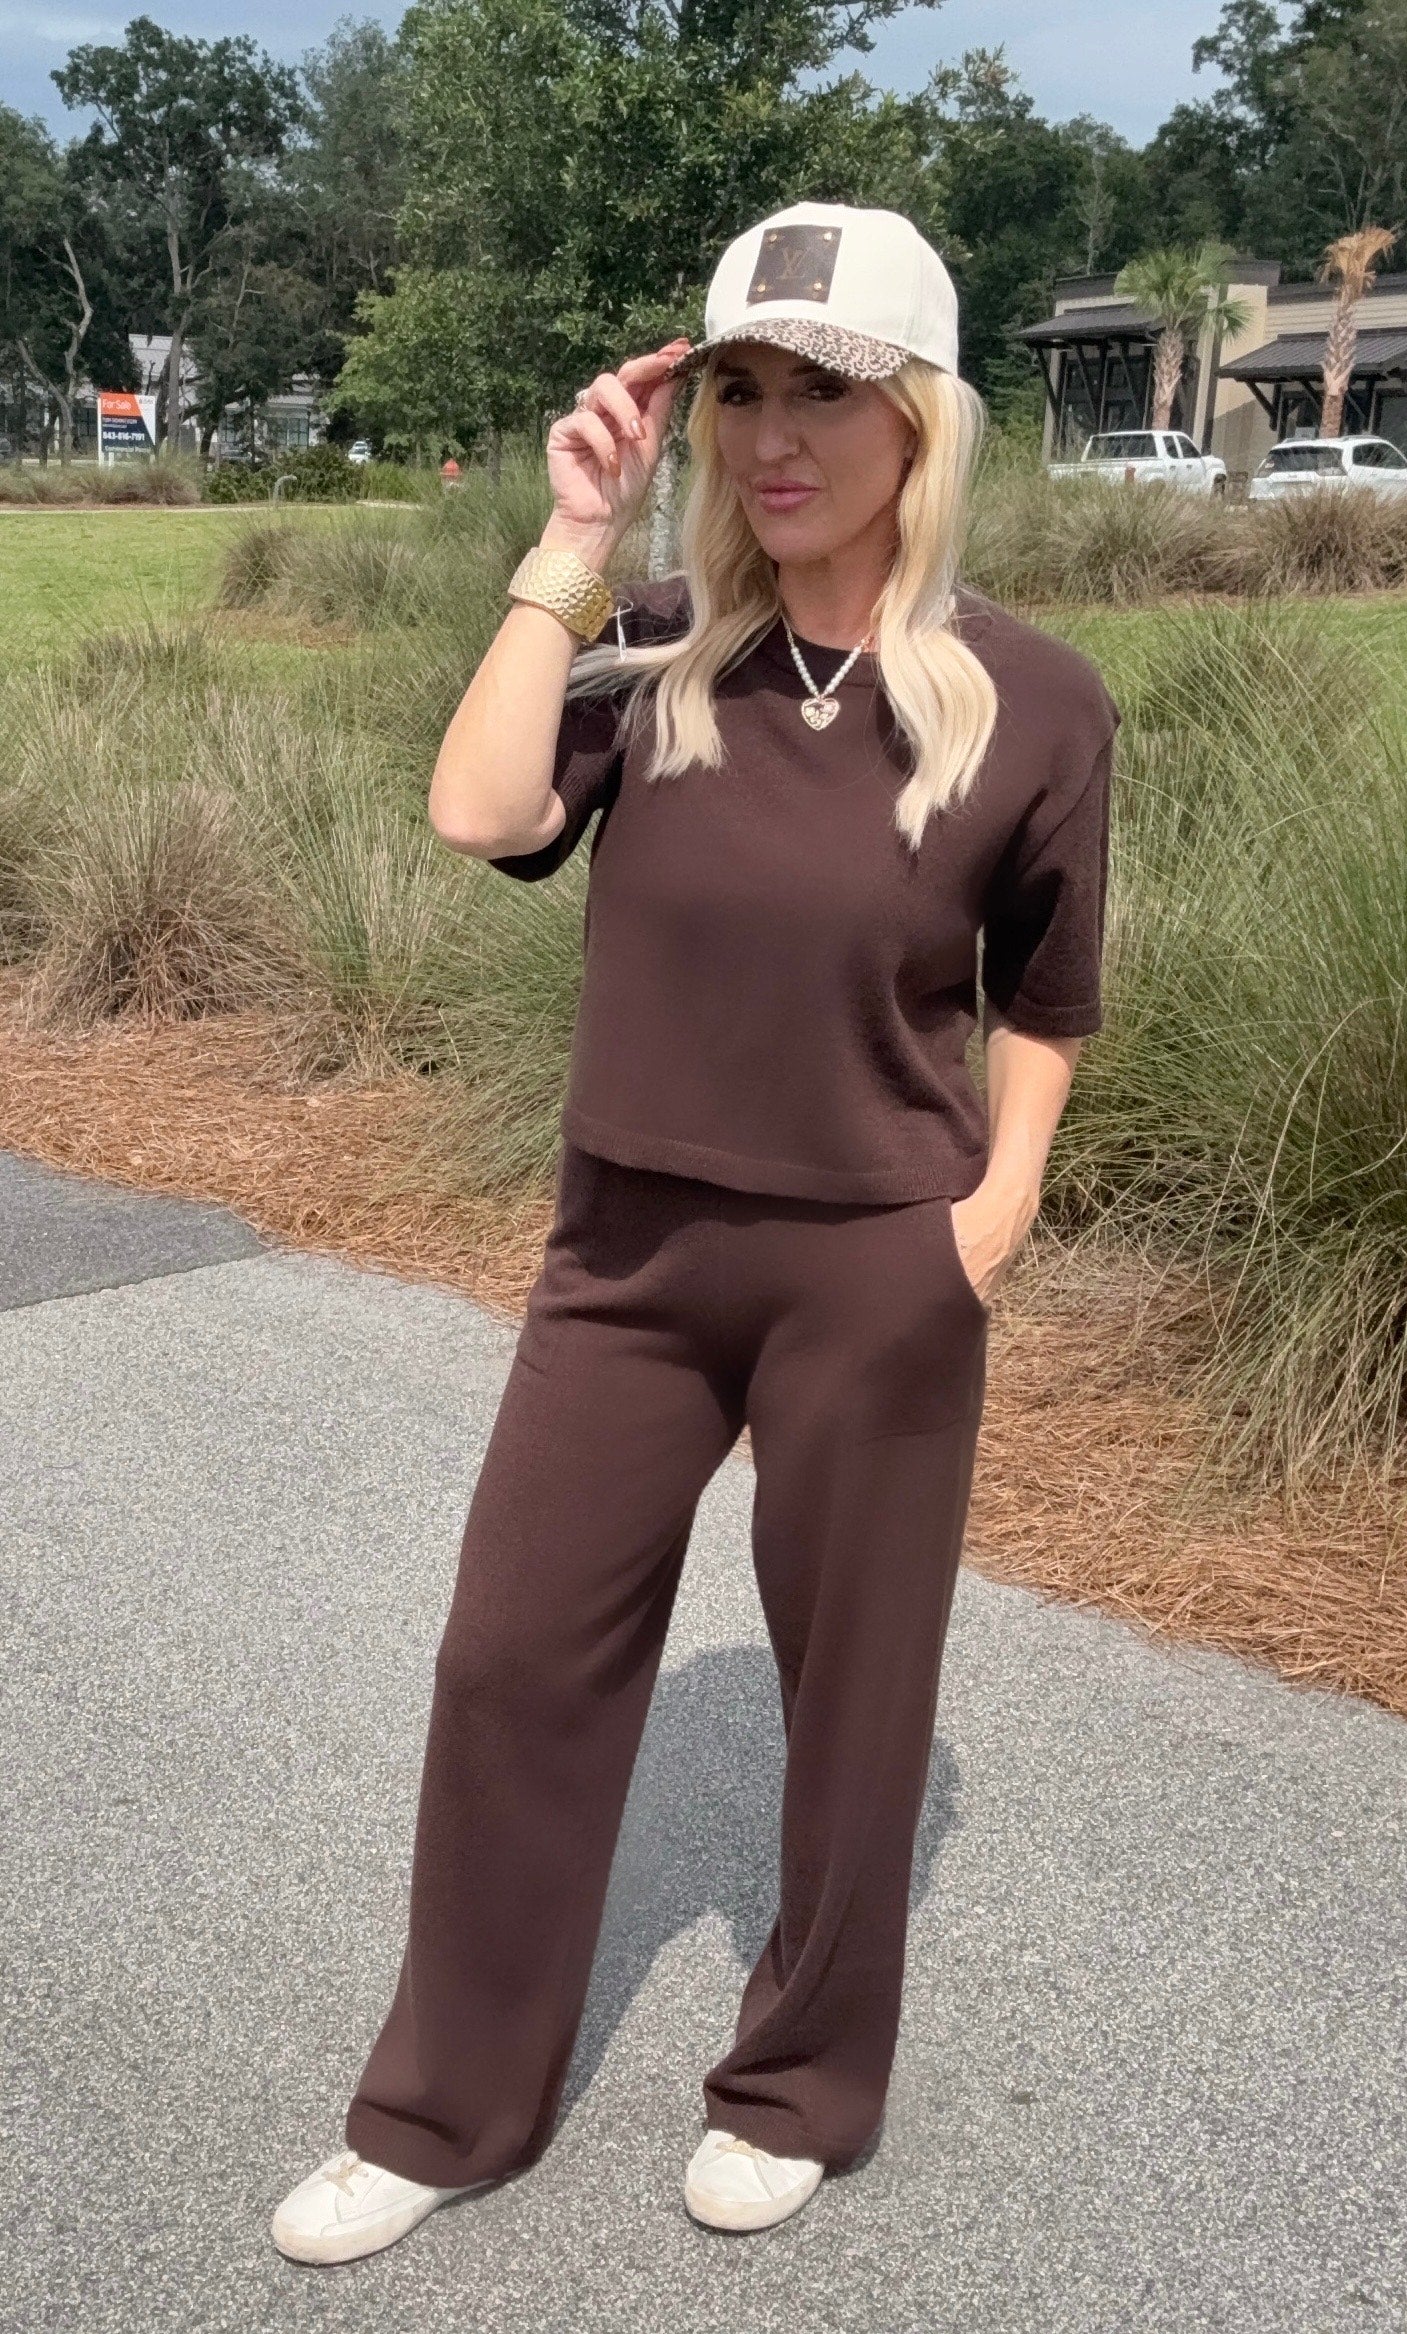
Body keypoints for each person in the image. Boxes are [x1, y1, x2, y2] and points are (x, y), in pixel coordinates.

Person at [271, 199, 1121, 2264]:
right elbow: (477, 814)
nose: (772, 436)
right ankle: (444, 2107)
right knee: (510, 1663)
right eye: (738, 389)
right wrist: (567, 549)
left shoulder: (1029, 699)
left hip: (872, 1268)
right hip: (625, 1262)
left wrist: (986, 1217)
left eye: (822, 391)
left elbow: (1048, 997)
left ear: (917, 420)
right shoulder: (647, 645)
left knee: (853, 1691)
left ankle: (800, 2087)